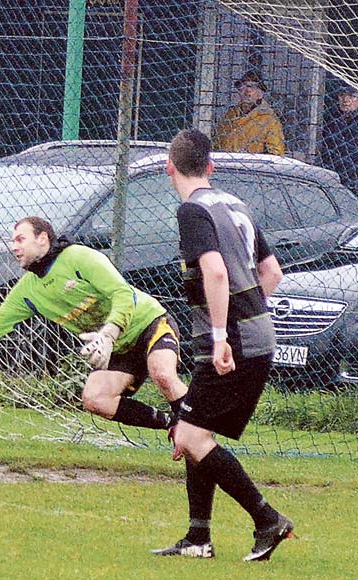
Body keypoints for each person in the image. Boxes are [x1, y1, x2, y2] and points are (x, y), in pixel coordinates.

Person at [0, 216, 188, 433]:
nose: (14, 247)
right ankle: (173, 425)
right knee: (94, 398)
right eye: (12, 241)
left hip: (149, 324)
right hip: (119, 349)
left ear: (43, 239)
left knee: (162, 373)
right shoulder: (27, 290)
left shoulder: (79, 257)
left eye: (20, 239)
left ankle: (198, 428)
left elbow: (123, 294)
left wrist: (109, 334)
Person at [154, 128, 293, 561]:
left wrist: (221, 335)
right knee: (197, 432)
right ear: (211, 167)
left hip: (231, 344)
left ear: (169, 167)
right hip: (255, 336)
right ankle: (198, 537)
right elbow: (272, 272)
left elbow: (214, 272)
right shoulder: (235, 205)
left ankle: (267, 519)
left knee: (191, 435)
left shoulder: (192, 211)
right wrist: (247, 314)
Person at [212, 71, 286, 156]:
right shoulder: (229, 116)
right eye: (243, 86)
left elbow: (275, 154)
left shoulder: (269, 120)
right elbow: (216, 144)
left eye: (253, 87)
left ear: (260, 94)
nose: (247, 91)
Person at [319, 85, 358, 192]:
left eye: (352, 96)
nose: (346, 100)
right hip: (333, 173)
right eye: (342, 95)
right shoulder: (332, 119)